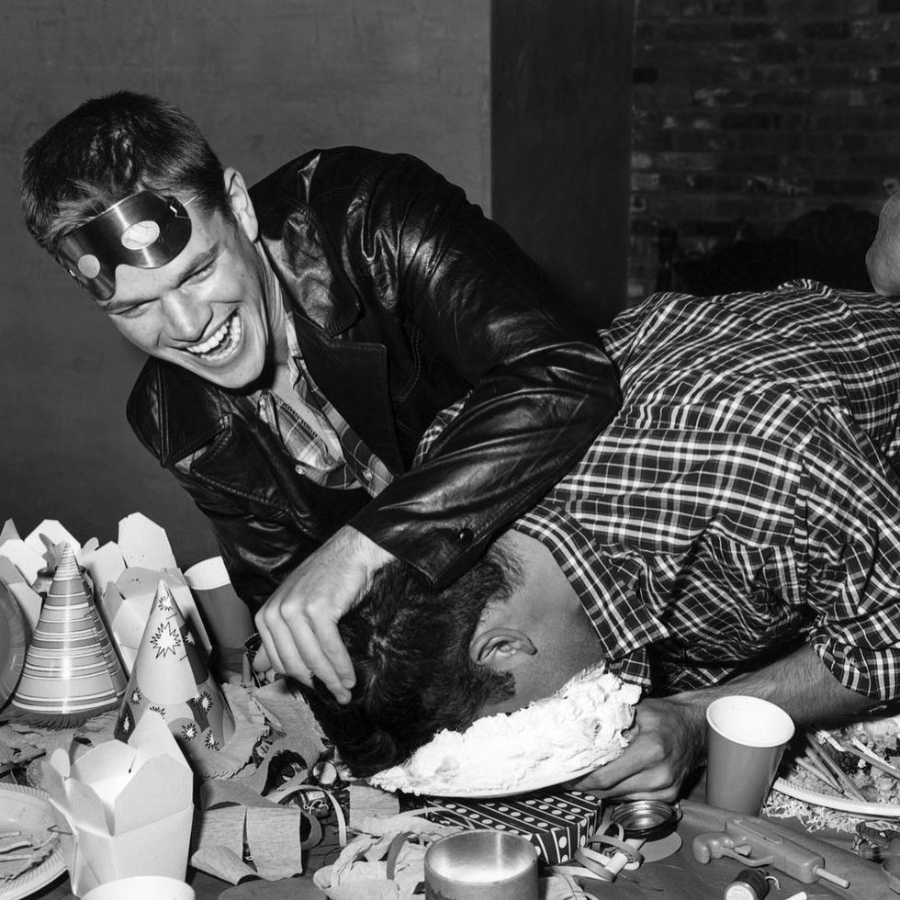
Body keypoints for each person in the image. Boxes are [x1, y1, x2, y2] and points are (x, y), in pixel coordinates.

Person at [20, 91, 621, 702]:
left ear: (238, 206)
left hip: (618, 552)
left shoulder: (373, 215)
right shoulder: (174, 422)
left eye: (198, 273)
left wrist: (365, 548)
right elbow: (292, 599)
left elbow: (561, 370)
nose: (186, 325)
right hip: (491, 656)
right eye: (136, 307)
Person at [304, 279, 900, 801]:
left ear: (503, 647)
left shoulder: (762, 477)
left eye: (518, 724)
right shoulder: (446, 466)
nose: (540, 727)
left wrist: (701, 718)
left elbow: (885, 643)